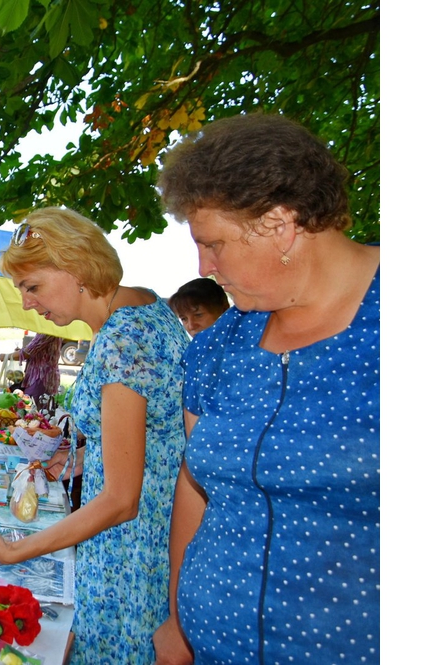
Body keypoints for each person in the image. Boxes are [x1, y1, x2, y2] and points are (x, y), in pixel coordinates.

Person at [152, 113, 380, 664]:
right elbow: (195, 484)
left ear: (280, 223)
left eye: (213, 245)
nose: (204, 266)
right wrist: (178, 622)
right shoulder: (216, 347)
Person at [0, 206, 189, 663]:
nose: (27, 303)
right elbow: (159, 436)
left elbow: (122, 499)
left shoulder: (122, 338)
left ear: (76, 267)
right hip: (157, 546)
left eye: (32, 286)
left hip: (130, 558)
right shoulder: (146, 309)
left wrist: (14, 549)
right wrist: (86, 459)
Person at [0, 332, 62, 400]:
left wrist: (6, 356)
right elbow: (36, 351)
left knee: (32, 406)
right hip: (45, 377)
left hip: (41, 378)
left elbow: (28, 352)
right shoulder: (52, 329)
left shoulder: (46, 331)